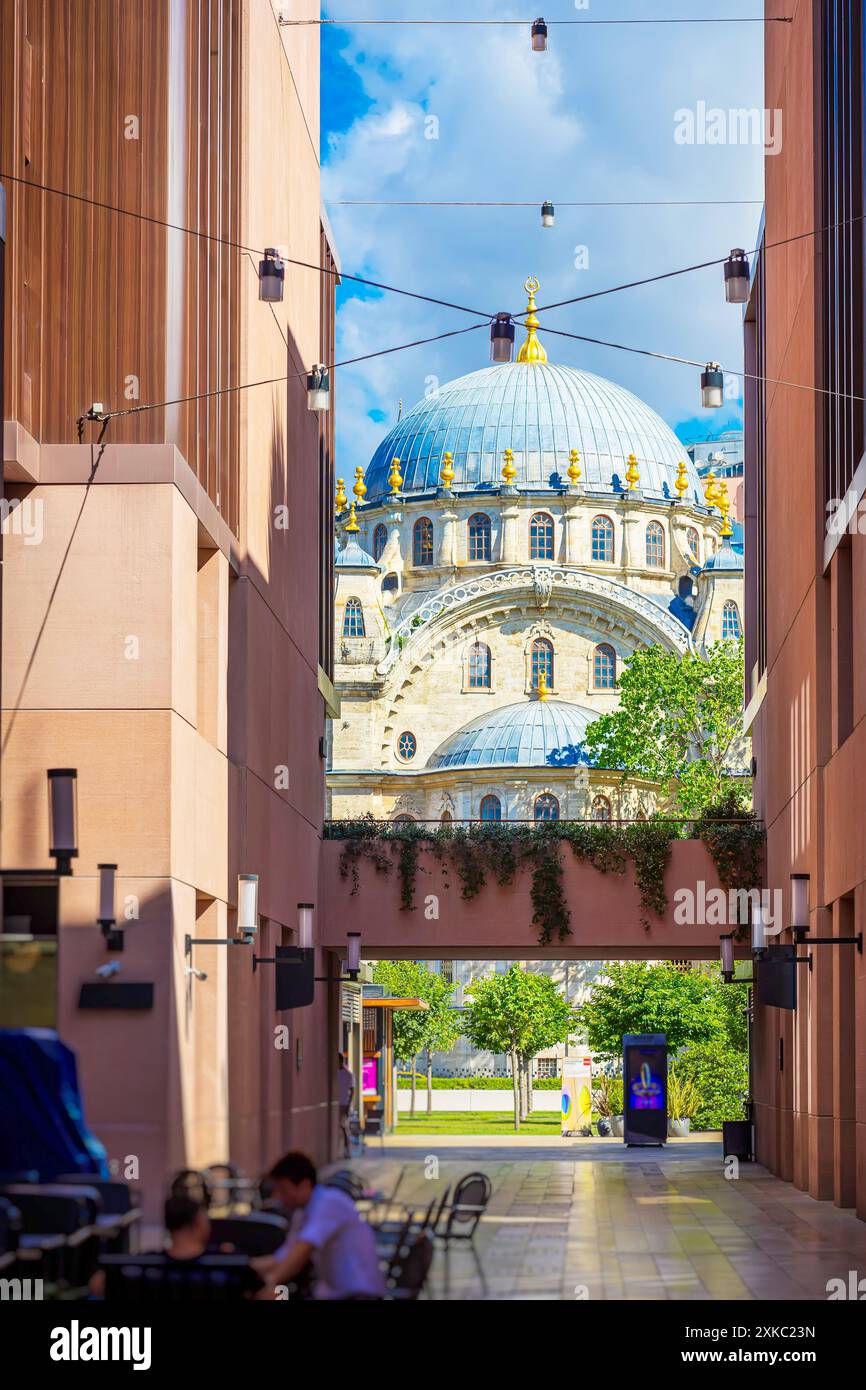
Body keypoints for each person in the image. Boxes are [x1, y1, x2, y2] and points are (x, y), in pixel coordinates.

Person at [256, 1151, 385, 1300]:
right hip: (336, 1293)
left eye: (284, 1190)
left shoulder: (327, 1203)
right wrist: (246, 1266)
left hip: (360, 1294)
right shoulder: (303, 1212)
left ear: (304, 1185)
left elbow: (302, 1251)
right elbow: (284, 1256)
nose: (278, 1197)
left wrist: (271, 1282)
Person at [337, 1051, 355, 1157]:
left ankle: (347, 1149)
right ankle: (341, 1149)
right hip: (336, 1104)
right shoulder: (334, 1072)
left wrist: (349, 1105)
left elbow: (352, 1090)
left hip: (344, 1104)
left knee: (343, 1126)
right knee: (339, 1127)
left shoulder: (348, 1074)